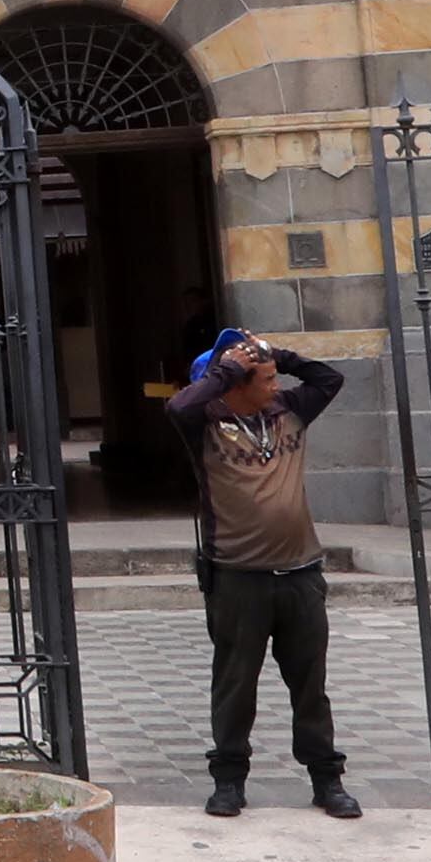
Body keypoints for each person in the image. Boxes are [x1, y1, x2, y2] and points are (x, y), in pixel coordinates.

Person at [167, 326, 356, 819]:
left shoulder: (289, 412)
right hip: (237, 577)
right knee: (235, 684)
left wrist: (277, 355)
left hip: (300, 574)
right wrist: (228, 368)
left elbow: (330, 378)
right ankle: (229, 781)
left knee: (310, 684)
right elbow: (178, 407)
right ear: (233, 385)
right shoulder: (204, 425)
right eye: (265, 379)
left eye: (276, 378)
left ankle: (326, 779)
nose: (275, 386)